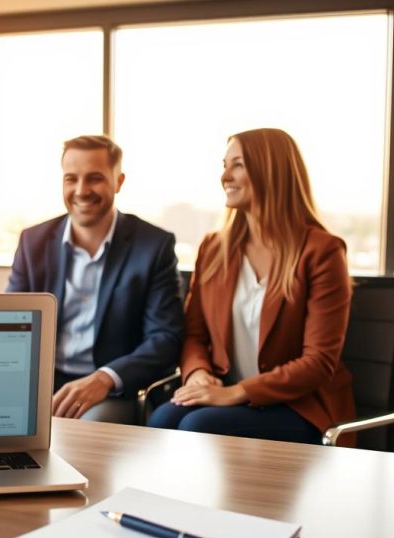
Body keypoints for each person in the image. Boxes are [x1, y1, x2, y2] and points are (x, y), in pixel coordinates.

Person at [148, 128, 354, 444]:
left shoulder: (321, 251)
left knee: (198, 425)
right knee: (162, 417)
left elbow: (318, 363)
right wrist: (198, 373)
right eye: (224, 164)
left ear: (271, 172)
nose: (224, 176)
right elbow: (194, 335)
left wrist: (237, 392)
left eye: (238, 165)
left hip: (299, 405)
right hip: (228, 393)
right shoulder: (215, 249)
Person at [7, 135, 184, 424]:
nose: (81, 190)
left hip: (111, 390)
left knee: (85, 430)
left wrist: (105, 379)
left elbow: (165, 340)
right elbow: (12, 323)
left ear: (119, 181)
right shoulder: (33, 241)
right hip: (39, 383)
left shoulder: (153, 246)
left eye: (94, 179)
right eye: (71, 179)